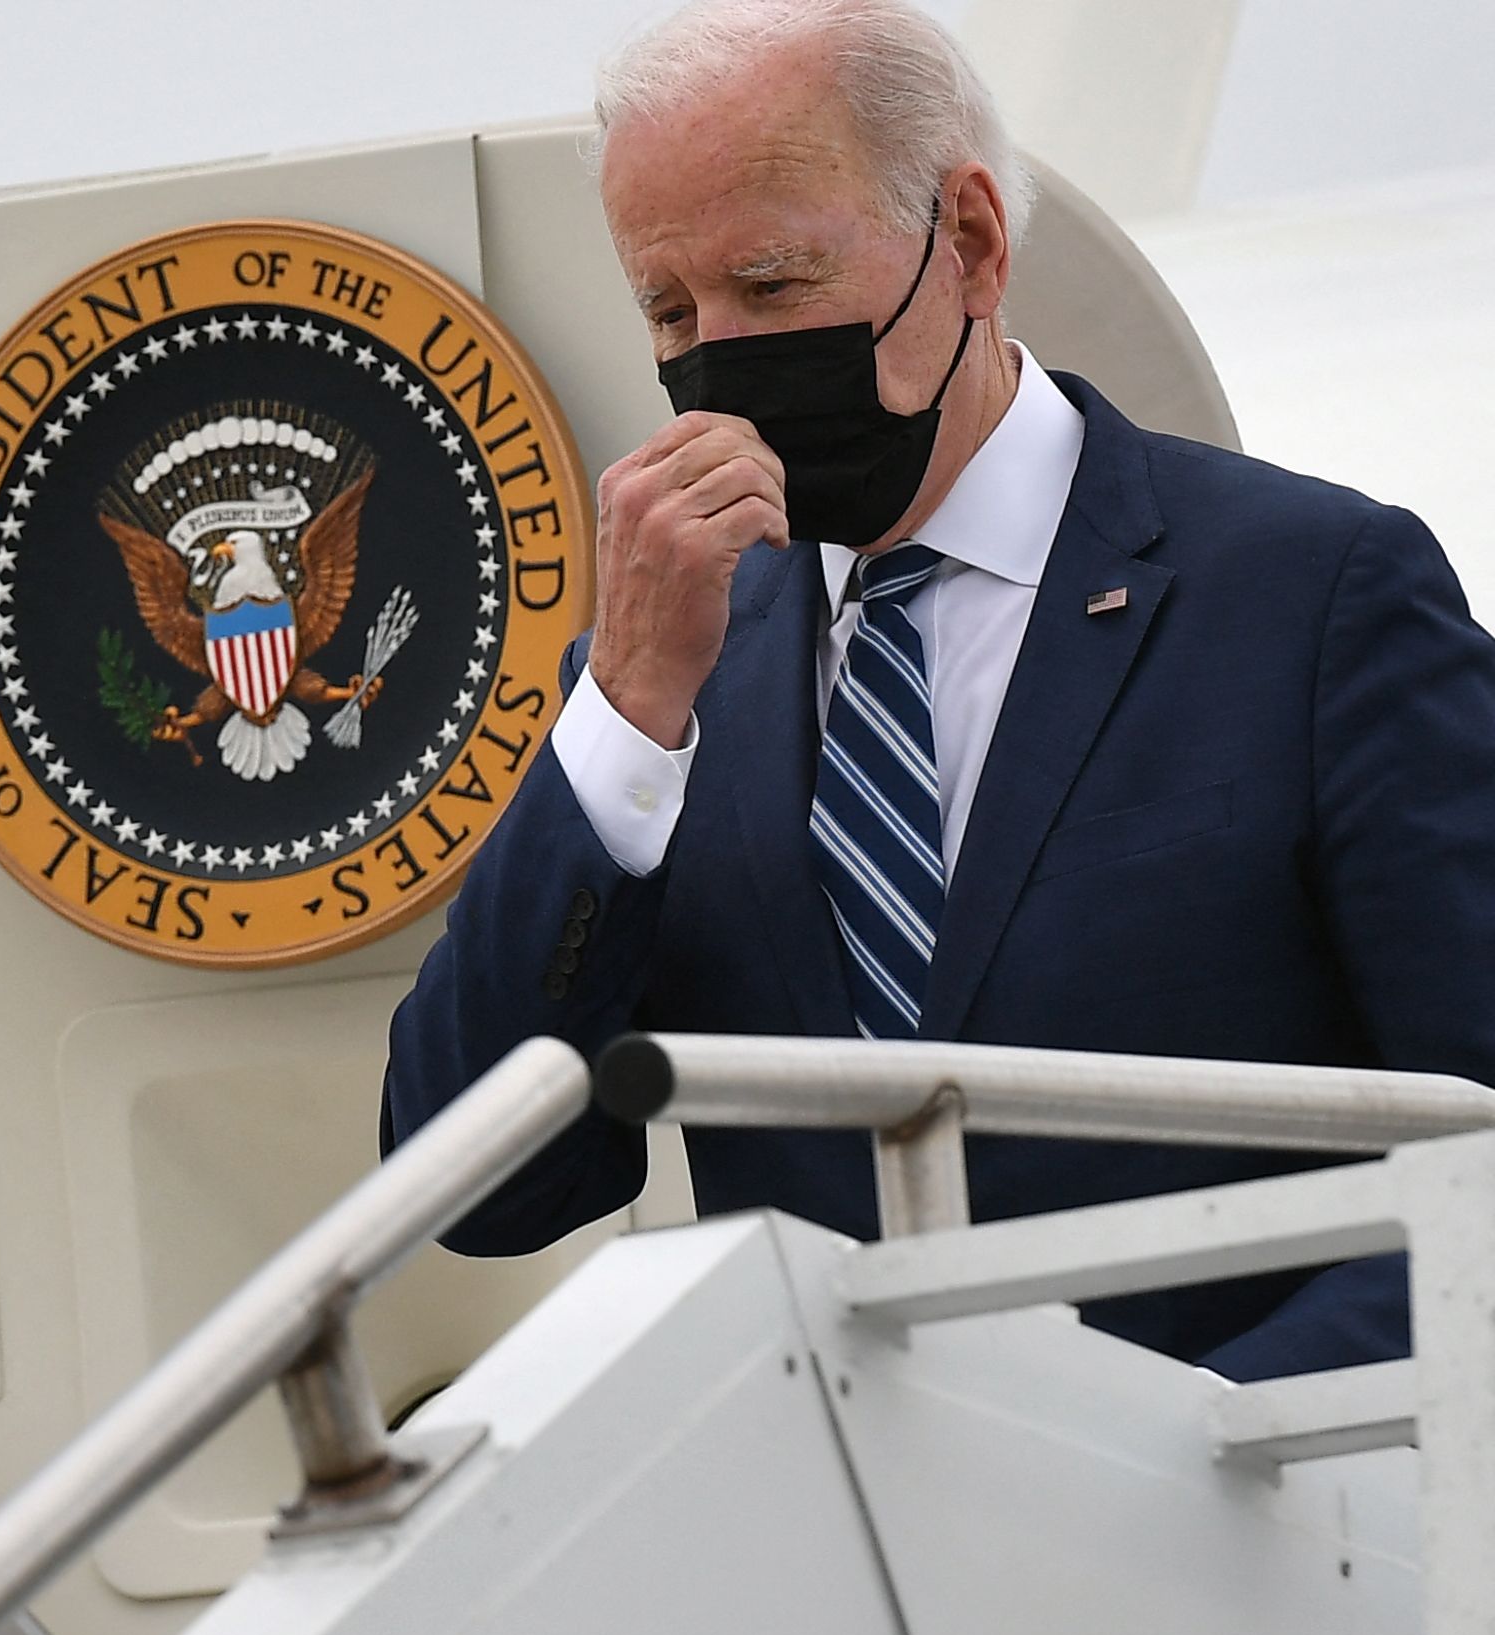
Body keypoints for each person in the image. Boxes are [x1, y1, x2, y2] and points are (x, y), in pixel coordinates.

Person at [380, 0, 1495, 1382]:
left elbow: (1483, 1152)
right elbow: (481, 1188)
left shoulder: (1310, 598)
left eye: (774, 286)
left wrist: (1199, 1457)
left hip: (1271, 1529)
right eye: (671, 309)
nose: (717, 356)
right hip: (871, 1560)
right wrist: (622, 716)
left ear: (966, 243)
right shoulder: (669, 683)